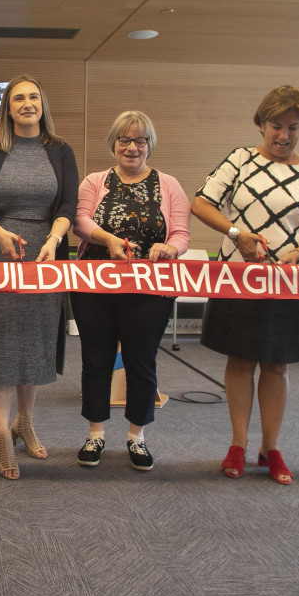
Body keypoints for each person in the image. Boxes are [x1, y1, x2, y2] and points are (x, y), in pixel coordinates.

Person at [191, 85, 299, 485]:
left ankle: (271, 447)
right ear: (261, 125)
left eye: (294, 127)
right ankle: (238, 442)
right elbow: (201, 202)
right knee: (239, 361)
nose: (284, 135)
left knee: (276, 365)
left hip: (286, 282)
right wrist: (237, 233)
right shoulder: (240, 160)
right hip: (237, 278)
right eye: (276, 126)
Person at [0, 75, 77, 480]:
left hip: (47, 254)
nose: (27, 104)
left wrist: (54, 238)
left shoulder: (60, 150)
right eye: (18, 99)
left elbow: (68, 201)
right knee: (2, 342)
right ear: (8, 109)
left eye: (33, 97)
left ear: (42, 104)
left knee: (34, 341)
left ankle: (24, 422)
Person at [71, 111, 189, 471]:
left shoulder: (169, 184)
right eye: (124, 139)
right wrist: (108, 240)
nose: (132, 147)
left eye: (140, 140)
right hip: (95, 282)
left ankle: (137, 436)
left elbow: (181, 234)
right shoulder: (94, 180)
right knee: (96, 360)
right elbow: (81, 222)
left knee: (141, 361)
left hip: (150, 287)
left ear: (150, 145)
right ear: (114, 143)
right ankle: (96, 433)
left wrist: (170, 249)